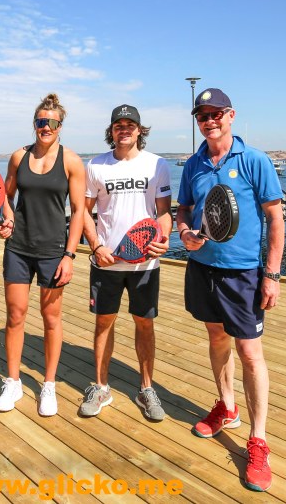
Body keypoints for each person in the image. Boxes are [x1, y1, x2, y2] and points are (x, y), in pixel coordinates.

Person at [174, 87, 284, 492]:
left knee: (250, 352)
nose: (210, 120)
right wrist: (184, 230)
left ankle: (258, 440)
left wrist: (271, 275)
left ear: (231, 115)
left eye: (216, 113)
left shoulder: (253, 160)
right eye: (203, 115)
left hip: (243, 273)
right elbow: (184, 208)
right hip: (203, 268)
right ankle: (227, 406)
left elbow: (275, 219)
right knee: (216, 337)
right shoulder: (194, 164)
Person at [0, 93, 86, 417]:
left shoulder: (72, 161)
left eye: (51, 122)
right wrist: (7, 220)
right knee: (15, 315)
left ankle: (48, 385)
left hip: (53, 251)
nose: (45, 127)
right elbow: (5, 196)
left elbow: (78, 212)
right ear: (34, 123)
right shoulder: (18, 157)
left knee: (50, 319)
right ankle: (13, 381)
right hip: (18, 247)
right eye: (40, 121)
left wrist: (70, 256)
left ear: (60, 126)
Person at [79, 105, 172, 421]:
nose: (124, 129)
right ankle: (101, 386)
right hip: (106, 263)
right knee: (104, 322)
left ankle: (146, 388)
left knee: (144, 324)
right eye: (118, 125)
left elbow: (163, 213)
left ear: (140, 130)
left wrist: (164, 238)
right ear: (112, 130)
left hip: (145, 265)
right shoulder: (95, 166)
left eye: (130, 124)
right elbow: (84, 213)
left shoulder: (157, 165)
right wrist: (95, 245)